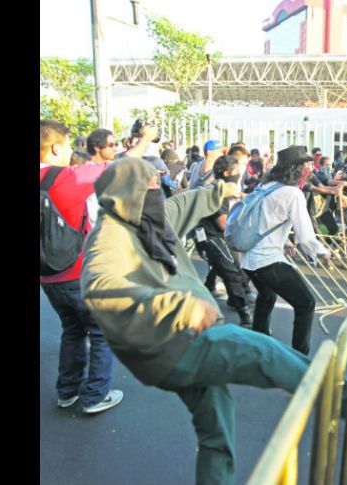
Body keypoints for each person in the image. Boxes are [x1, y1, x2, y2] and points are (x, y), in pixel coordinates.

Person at [80, 157, 312, 484]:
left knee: (216, 434)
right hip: (172, 343)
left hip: (186, 337)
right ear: (127, 194)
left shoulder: (153, 218)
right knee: (264, 352)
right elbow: (100, 287)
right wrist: (178, 306)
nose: (157, 195)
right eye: (150, 189)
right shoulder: (110, 239)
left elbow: (185, 201)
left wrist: (221, 191)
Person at [40, 120, 123, 414]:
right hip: (77, 273)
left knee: (72, 330)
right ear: (54, 148)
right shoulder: (65, 178)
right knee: (100, 332)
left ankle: (67, 391)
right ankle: (95, 395)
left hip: (48, 277)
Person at [240, 146, 331, 355]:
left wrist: (286, 242)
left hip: (249, 259)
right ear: (295, 169)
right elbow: (306, 236)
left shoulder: (265, 187)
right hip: (267, 260)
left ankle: (258, 345)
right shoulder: (293, 194)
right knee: (306, 303)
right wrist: (322, 251)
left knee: (267, 297)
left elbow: (262, 222)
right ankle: (299, 357)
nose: (308, 168)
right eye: (305, 164)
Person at [194, 154, 254, 327]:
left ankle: (230, 297)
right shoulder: (217, 192)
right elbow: (223, 224)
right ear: (227, 173)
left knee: (234, 267)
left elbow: (239, 195)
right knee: (231, 271)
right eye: (237, 169)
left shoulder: (223, 188)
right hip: (210, 237)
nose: (240, 172)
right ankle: (245, 314)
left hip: (217, 237)